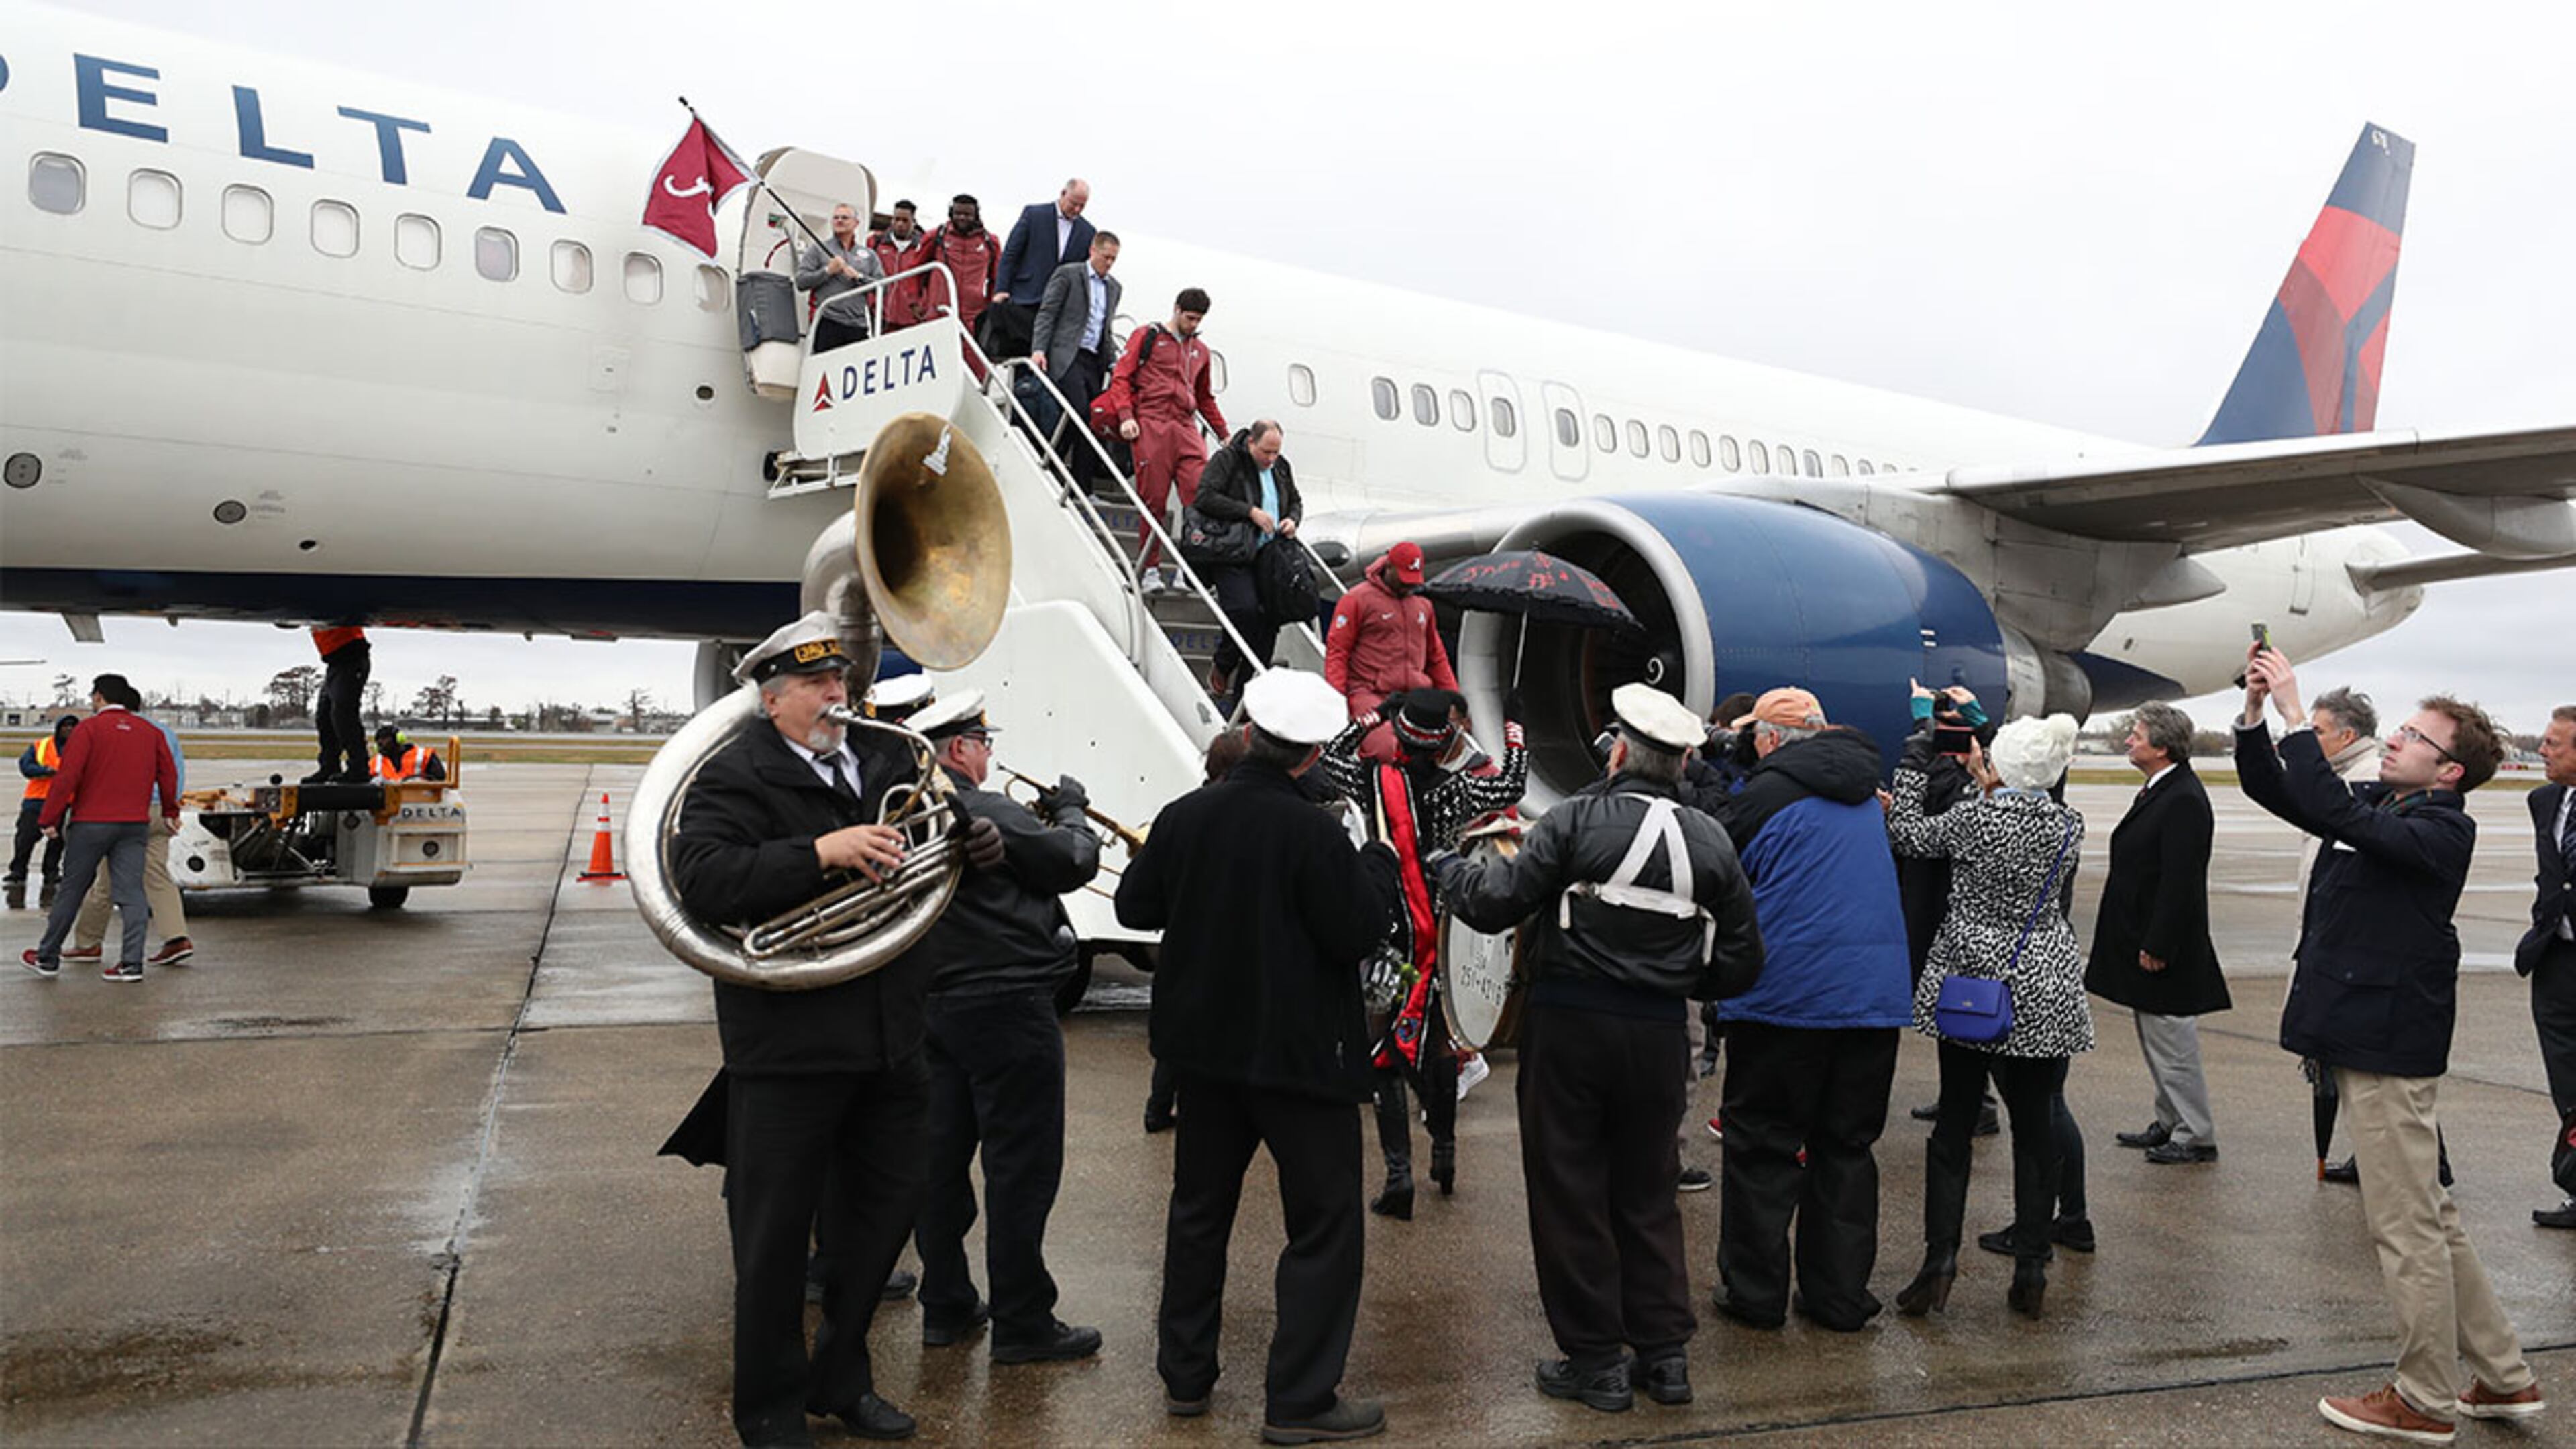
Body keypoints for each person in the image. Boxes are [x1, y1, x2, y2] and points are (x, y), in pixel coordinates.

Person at [665, 611, 1004, 1448]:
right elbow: (703, 880)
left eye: (841, 682)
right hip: (788, 1050)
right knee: (777, 1242)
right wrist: (821, 852)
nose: (835, 696)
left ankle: (843, 1377)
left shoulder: (894, 757)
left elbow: (937, 839)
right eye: (817, 685)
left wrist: (979, 838)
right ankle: (772, 1410)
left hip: (892, 1038)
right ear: (772, 699)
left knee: (885, 1220)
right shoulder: (731, 777)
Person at [2235, 646, 2545, 1440]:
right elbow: (2284, 788)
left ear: (2449, 772)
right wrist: (2255, 714)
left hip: (2386, 1042)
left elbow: (2336, 813)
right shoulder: (2389, 805)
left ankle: (2423, 1398)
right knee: (2431, 1217)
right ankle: (2505, 1379)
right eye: (2401, 729)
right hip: (2364, 1031)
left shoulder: (2442, 830)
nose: (2398, 739)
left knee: (2404, 1228)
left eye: (2416, 735)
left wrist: (2301, 714)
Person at [1437, 682, 1763, 1413]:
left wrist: (1449, 870)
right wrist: (1680, 974)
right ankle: (1665, 1355)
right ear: (1681, 763)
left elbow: (1496, 905)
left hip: (1571, 1026)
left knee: (1569, 1190)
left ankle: (1595, 1361)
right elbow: (1744, 963)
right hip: (1656, 1037)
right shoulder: (1711, 839)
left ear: (1618, 751)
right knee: (1649, 1190)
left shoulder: (1574, 820)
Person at [1114, 668, 1402, 1445]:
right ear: (1310, 756)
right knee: (1324, 1225)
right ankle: (1300, 1399)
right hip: (1300, 1060)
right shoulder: (1315, 831)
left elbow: (1134, 907)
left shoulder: (1185, 815)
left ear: (1248, 734)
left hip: (1204, 1057)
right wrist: (1374, 863)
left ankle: (1185, 1377)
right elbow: (1358, 931)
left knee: (1199, 1215)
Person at [904, 690, 1105, 1364]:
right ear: (959, 748)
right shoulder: (982, 807)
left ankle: (947, 1304)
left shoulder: (908, 812)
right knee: (1021, 1171)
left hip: (936, 1003)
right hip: (1009, 1003)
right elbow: (1073, 861)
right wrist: (1073, 812)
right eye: (984, 742)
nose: (991, 753)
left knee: (939, 1163)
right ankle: (1023, 1320)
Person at [1708, 687, 1913, 1334]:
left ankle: (1756, 1294)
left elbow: (1719, 872)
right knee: (1846, 1148)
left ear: (1768, 739)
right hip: (1871, 1001)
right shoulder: (1867, 795)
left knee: (1763, 1149)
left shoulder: (1764, 797)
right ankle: (1839, 1298)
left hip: (1785, 1002)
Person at [1884, 710, 2090, 1320]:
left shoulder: (1974, 818)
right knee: (2034, 1127)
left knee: (1954, 1122)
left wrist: (1919, 759)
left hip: (1975, 976)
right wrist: (1989, 774)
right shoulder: (2067, 824)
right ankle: (2030, 1266)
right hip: (2044, 976)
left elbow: (1912, 836)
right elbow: (2016, 810)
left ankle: (1938, 1262)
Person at [1315, 687, 1529, 1219]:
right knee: (1437, 1042)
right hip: (1442, 923)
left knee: (1385, 1048)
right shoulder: (1456, 792)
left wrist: (1371, 718)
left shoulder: (1373, 780)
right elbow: (1513, 783)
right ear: (1445, 743)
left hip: (1390, 925)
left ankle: (1398, 1176)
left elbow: (1328, 758)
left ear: (1402, 733)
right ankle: (1445, 1154)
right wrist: (1513, 729)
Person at [2088, 703, 2228, 1167]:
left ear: (2162, 747)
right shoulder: (2160, 789)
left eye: (2137, 734)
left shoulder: (2183, 798)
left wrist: (2159, 944)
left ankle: (2196, 1133)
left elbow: (2180, 882)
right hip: (2142, 938)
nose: (2129, 740)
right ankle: (2169, 1120)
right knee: (2156, 1038)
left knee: (2173, 1042)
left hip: (2165, 947)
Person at [2285, 687, 2387, 1183]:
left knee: (2364, 1069)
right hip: (2326, 934)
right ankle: (2392, 1155)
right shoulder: (2342, 774)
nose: (2313, 738)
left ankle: (2422, 1160)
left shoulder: (2364, 780)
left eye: (2319, 731)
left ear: (2347, 736)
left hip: (2344, 943)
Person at [21, 674, 178, 984]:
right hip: (134, 824)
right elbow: (168, 775)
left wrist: (49, 818)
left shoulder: (88, 730)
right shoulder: (151, 732)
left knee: (73, 889)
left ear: (99, 697)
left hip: (91, 822)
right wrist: (171, 811)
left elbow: (68, 777)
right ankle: (131, 964)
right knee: (132, 893)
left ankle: (47, 956)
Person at [1099, 289, 1226, 584]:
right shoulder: (1148, 336)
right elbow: (1121, 378)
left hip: (1185, 426)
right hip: (1152, 421)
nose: (1193, 325)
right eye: (1190, 318)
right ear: (1177, 310)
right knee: (1154, 499)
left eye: (1199, 320)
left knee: (1199, 494)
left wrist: (1224, 434)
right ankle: (1150, 567)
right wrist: (1126, 416)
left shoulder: (1201, 351)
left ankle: (1189, 565)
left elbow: (1205, 397)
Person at [66, 681, 192, 969]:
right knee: (158, 875)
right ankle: (176, 937)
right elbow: (174, 773)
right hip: (162, 811)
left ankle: (88, 942)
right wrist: (171, 809)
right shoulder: (164, 733)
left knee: (105, 881)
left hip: (126, 812)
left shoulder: (110, 730)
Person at [2516, 703, 2576, 1229]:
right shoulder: (2546, 802)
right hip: (2557, 958)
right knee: (2567, 1080)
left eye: (2553, 744)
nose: (2542, 750)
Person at [1191, 421, 1299, 702]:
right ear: (1251, 442)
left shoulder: (1281, 467)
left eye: (1276, 453)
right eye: (1266, 452)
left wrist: (1292, 519)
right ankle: (1224, 662)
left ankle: (1245, 696)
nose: (1271, 459)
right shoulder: (1229, 460)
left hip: (1269, 554)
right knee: (1244, 610)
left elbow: (1296, 501)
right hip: (1233, 550)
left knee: (1269, 623)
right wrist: (1249, 511)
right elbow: (1204, 497)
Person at [1322, 542, 1456, 761]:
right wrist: (1337, 698)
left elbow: (1436, 657)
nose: (1408, 587)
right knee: (1385, 750)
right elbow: (1338, 651)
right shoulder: (1356, 600)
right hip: (1369, 692)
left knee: (1437, 751)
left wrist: (1453, 699)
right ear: (1389, 567)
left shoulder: (1423, 605)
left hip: (1414, 696)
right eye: (1404, 580)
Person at [1027, 232, 1122, 452]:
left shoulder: (1114, 288)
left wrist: (1114, 364)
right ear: (1093, 251)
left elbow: (1105, 329)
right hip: (1068, 355)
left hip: (1094, 360)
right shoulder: (1068, 274)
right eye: (1106, 257)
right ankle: (1053, 461)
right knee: (1080, 410)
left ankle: (1079, 479)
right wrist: (1039, 349)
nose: (1109, 263)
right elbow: (1047, 314)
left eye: (1113, 259)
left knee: (1095, 420)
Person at [993, 179, 1095, 356]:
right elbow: (1010, 255)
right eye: (1074, 204)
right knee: (1019, 349)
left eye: (1082, 206)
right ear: (1063, 194)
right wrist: (1001, 289)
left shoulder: (1088, 232)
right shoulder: (1034, 215)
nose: (1077, 210)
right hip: (1026, 296)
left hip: (1057, 306)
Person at [6, 714, 76, 910]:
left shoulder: (80, 748)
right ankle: (18, 871)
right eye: (66, 726)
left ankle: (51, 873)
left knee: (57, 842)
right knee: (25, 838)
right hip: (37, 800)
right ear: (58, 728)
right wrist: (45, 771)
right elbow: (26, 766)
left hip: (65, 802)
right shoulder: (41, 745)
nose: (69, 730)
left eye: (73, 726)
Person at [796, 203, 885, 354]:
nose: (839, 221)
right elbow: (801, 281)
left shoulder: (869, 255)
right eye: (836, 218)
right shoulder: (817, 249)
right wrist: (828, 271)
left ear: (856, 223)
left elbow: (883, 287)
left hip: (858, 325)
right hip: (827, 322)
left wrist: (859, 277)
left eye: (845, 218)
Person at [920, 195, 1000, 347]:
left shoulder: (990, 242)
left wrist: (990, 306)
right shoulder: (936, 237)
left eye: (967, 214)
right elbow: (916, 270)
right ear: (951, 213)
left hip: (974, 315)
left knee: (974, 363)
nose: (962, 218)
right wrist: (916, 302)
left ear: (976, 215)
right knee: (938, 356)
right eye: (958, 213)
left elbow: (996, 278)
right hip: (940, 311)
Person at [307, 625, 369, 784]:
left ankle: (359, 768)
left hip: (352, 657)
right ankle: (330, 766)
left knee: (343, 713)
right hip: (335, 663)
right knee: (324, 716)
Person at [867, 201, 930, 333]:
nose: (900, 224)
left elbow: (930, 279)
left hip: (912, 319)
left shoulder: (924, 247)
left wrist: (922, 305)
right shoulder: (876, 243)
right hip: (880, 316)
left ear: (914, 222)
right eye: (897, 219)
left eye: (905, 220)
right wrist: (872, 303)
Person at [370, 726, 446, 782]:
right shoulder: (375, 762)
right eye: (378, 740)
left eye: (384, 739)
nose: (380, 743)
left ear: (399, 739)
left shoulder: (424, 755)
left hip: (421, 801)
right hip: (389, 802)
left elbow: (440, 780)